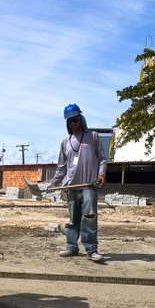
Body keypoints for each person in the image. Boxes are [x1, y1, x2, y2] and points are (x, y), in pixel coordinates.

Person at [50, 104, 108, 263]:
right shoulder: (65, 142)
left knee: (89, 218)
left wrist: (101, 174)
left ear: (81, 119)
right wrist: (53, 184)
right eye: (70, 121)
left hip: (89, 186)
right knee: (72, 219)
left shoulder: (93, 137)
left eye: (75, 120)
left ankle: (91, 250)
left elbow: (102, 159)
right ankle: (71, 247)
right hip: (71, 187)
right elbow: (61, 168)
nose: (73, 124)